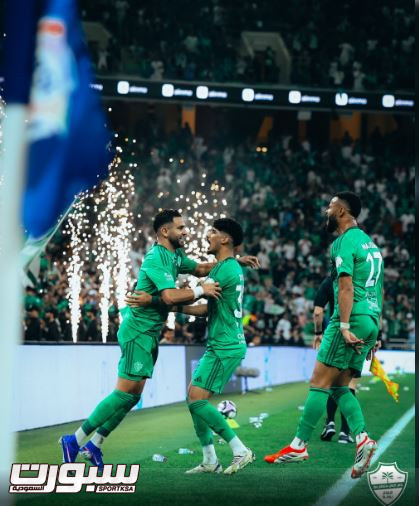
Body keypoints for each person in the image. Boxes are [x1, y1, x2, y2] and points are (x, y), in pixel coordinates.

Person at [59, 210, 258, 470]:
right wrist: (200, 288)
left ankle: (95, 444)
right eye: (180, 228)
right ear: (165, 231)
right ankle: (74, 440)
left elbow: (200, 268)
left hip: (150, 333)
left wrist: (235, 260)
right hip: (138, 331)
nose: (186, 231)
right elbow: (169, 297)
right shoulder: (156, 258)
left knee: (132, 397)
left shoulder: (175, 255)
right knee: (124, 393)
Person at [264, 192, 384, 479]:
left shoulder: (343, 242)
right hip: (370, 319)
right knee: (340, 386)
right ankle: (362, 439)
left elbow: (346, 287)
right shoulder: (371, 244)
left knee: (318, 383)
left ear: (341, 211)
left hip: (349, 319)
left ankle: (298, 445)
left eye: (330, 206)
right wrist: (375, 331)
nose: (326, 211)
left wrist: (343, 326)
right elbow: (379, 289)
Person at [174, 218, 255, 475]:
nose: (208, 235)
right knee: (193, 397)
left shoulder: (223, 270)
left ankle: (240, 450)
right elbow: (206, 309)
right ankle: (210, 459)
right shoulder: (228, 267)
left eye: (213, 232)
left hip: (225, 345)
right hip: (222, 343)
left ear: (225, 239)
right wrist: (177, 307)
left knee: (197, 400)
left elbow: (201, 290)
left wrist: (171, 299)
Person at [313, 277, 357, 444]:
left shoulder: (328, 282)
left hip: (336, 334)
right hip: (356, 332)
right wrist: (377, 336)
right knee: (350, 384)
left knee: (330, 381)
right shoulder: (358, 279)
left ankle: (330, 422)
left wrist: (318, 333)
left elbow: (318, 312)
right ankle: (345, 432)